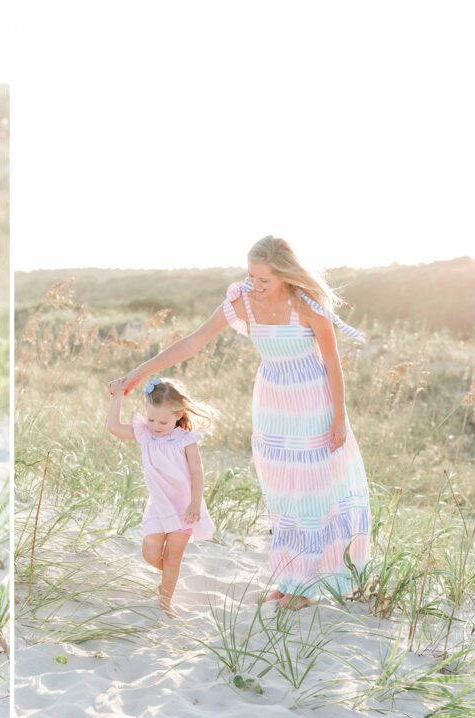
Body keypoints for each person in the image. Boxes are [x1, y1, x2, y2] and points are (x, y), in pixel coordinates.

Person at [110, 235, 370, 610]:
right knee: (282, 491)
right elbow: (192, 342)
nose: (256, 284)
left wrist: (340, 418)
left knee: (312, 490)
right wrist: (139, 371)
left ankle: (308, 585)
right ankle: (291, 577)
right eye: (251, 275)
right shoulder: (243, 300)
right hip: (271, 403)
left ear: (284, 274)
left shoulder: (307, 305)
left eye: (264, 279)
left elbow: (332, 363)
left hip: (313, 402)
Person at [107, 376, 216, 618]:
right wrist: (117, 397)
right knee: (151, 553)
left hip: (185, 507)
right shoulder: (145, 434)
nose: (156, 425)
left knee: (174, 558)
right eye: (151, 418)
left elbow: (198, 474)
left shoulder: (186, 440)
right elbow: (114, 428)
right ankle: (169, 577)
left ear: (178, 414)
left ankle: (166, 600)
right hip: (158, 506)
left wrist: (195, 503)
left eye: (163, 421)